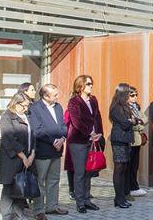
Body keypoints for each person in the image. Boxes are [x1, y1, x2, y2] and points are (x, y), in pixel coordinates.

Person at [28, 84, 69, 218]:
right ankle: (38, 210)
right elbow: (37, 130)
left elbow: (63, 126)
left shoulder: (58, 107)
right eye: (55, 95)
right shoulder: (35, 108)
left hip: (57, 150)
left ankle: (52, 206)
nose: (58, 97)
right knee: (40, 181)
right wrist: (53, 141)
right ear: (45, 96)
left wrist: (62, 138)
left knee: (54, 179)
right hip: (43, 150)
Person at [66, 75, 103, 214]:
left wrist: (99, 133)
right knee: (80, 172)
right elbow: (76, 122)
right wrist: (90, 133)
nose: (91, 86)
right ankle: (80, 202)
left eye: (91, 83)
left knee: (89, 171)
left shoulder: (93, 100)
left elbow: (97, 117)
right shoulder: (74, 101)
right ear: (80, 86)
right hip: (78, 141)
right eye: (88, 84)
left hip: (92, 140)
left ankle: (87, 200)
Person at [0, 93, 36, 220]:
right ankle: (8, 215)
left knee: (22, 187)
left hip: (27, 157)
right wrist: (23, 156)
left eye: (28, 106)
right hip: (13, 159)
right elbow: (9, 139)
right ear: (16, 103)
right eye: (24, 106)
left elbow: (33, 135)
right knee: (9, 187)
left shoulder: (27, 116)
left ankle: (19, 214)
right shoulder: (7, 117)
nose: (26, 108)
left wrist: (32, 153)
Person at [108, 84, 135, 208]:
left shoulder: (125, 106)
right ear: (122, 94)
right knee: (119, 169)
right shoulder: (116, 107)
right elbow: (125, 123)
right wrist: (132, 121)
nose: (130, 95)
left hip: (125, 140)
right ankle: (118, 198)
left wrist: (132, 121)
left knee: (124, 169)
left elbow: (131, 121)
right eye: (128, 93)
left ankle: (121, 197)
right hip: (119, 140)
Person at [126, 87, 147, 199]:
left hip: (138, 140)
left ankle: (134, 186)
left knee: (135, 165)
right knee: (129, 166)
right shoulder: (125, 108)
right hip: (130, 140)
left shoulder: (137, 106)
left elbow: (145, 118)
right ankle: (130, 187)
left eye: (136, 94)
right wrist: (140, 123)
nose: (135, 97)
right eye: (132, 95)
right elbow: (132, 123)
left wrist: (138, 122)